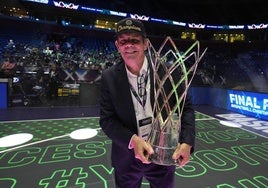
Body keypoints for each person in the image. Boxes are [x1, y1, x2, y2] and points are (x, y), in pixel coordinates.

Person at [99, 18, 195, 188]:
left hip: (163, 156)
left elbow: (185, 109)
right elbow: (107, 120)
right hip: (127, 159)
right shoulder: (109, 77)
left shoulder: (169, 71)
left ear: (146, 44)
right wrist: (132, 140)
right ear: (117, 45)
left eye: (134, 40)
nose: (129, 45)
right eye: (123, 41)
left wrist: (187, 142)